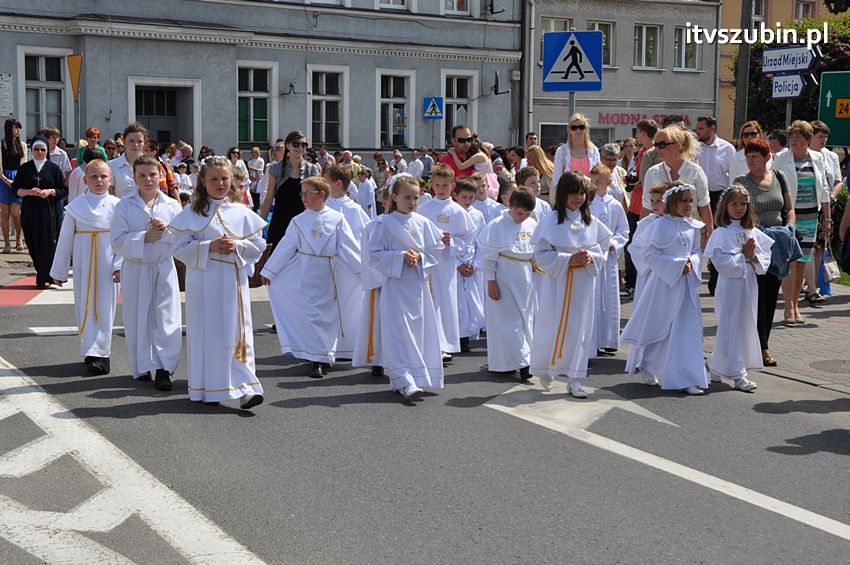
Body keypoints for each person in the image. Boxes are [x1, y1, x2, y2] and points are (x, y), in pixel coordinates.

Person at [170, 156, 267, 409]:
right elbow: (179, 248)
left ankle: (246, 388)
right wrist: (209, 246)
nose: (220, 183)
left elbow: (257, 246)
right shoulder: (191, 213)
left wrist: (238, 246)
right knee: (207, 333)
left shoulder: (242, 211)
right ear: (203, 181)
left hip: (232, 281)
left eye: (225, 178)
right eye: (214, 179)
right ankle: (208, 388)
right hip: (203, 281)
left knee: (237, 332)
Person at [261, 176, 361, 378]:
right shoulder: (298, 221)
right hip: (305, 272)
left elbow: (349, 247)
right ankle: (315, 354)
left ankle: (322, 357)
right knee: (310, 314)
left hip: (329, 273)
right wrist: (269, 270)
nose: (304, 198)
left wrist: (362, 271)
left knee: (326, 315)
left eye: (308, 193)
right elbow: (287, 246)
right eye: (302, 194)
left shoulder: (337, 218)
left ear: (322, 194)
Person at [620, 183, 708, 395]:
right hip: (664, 285)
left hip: (685, 286)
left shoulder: (693, 226)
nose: (688, 205)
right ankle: (650, 364)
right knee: (661, 326)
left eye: (690, 200)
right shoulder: (660, 226)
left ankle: (685, 376)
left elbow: (696, 252)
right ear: (673, 202)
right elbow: (649, 255)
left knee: (685, 329)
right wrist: (677, 265)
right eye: (683, 201)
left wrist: (691, 262)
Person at [530, 172, 612, 398]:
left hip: (583, 283)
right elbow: (541, 254)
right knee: (551, 324)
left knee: (580, 328)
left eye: (582, 193)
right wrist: (567, 260)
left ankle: (575, 378)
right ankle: (546, 368)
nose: (578, 198)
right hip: (557, 282)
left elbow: (602, 249)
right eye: (573, 193)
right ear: (563, 194)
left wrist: (591, 258)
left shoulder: (591, 222)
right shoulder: (550, 221)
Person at [367, 175, 445, 400]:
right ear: (394, 197)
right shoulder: (384, 224)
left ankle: (416, 375)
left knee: (417, 330)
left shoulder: (422, 222)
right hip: (395, 286)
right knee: (398, 332)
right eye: (407, 198)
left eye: (416, 198)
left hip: (417, 287)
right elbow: (374, 254)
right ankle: (402, 377)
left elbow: (436, 249)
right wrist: (400, 257)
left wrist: (420, 257)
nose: (412, 203)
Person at [111, 156, 183, 390]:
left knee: (165, 317)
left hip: (162, 266)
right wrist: (144, 238)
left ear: (160, 175)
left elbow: (183, 238)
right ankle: (141, 365)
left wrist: (166, 232)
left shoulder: (172, 205)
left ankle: (165, 368)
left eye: (152, 174)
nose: (148, 179)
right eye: (142, 175)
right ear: (134, 178)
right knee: (136, 316)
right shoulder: (124, 205)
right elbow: (116, 241)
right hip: (136, 268)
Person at [50, 160, 121, 375]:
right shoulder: (75, 207)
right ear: (85, 180)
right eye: (94, 177)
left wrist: (119, 265)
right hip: (84, 263)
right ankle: (91, 352)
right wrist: (59, 271)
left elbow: (122, 239)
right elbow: (64, 240)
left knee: (105, 307)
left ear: (110, 180)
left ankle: (103, 353)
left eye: (103, 177)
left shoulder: (118, 206)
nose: (99, 181)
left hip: (108, 264)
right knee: (86, 304)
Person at [732, 138, 797, 367]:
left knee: (770, 296)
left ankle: (764, 343)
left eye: (755, 156)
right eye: (748, 156)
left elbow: (788, 208)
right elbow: (736, 212)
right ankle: (756, 345)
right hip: (755, 244)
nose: (750, 160)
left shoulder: (779, 177)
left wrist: (790, 228)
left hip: (777, 244)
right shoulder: (741, 182)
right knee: (755, 296)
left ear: (767, 157)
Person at [704, 185, 774, 392]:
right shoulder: (721, 234)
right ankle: (738, 374)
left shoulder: (751, 231)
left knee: (745, 325)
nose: (739, 208)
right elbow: (723, 265)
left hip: (749, 286)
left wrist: (753, 257)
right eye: (734, 204)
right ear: (725, 206)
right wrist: (744, 256)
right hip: (730, 287)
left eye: (743, 204)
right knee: (729, 326)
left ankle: (716, 364)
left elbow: (763, 263)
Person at [770, 120, 831, 326]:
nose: (794, 140)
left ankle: (796, 306)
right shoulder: (781, 158)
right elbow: (773, 184)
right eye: (792, 136)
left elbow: (823, 187)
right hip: (790, 216)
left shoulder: (818, 157)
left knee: (803, 262)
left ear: (808, 139)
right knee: (790, 263)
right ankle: (788, 308)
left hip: (811, 216)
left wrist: (827, 218)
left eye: (798, 136)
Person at [477, 186, 538, 380]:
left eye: (527, 213)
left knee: (525, 321)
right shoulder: (496, 225)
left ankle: (509, 362)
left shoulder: (531, 223)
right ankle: (524, 363)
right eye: (520, 212)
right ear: (509, 205)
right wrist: (491, 281)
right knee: (508, 322)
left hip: (526, 278)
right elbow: (488, 258)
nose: (522, 217)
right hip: (504, 276)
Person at [417, 164, 475, 357]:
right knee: (429, 301)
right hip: (429, 261)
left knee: (445, 302)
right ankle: (428, 343)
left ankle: (444, 344)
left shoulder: (458, 211)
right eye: (437, 185)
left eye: (445, 186)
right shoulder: (424, 209)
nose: (441, 190)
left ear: (452, 186)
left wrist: (452, 242)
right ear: (431, 185)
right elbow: (417, 233)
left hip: (447, 263)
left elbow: (468, 236)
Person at [642, 126, 713, 241]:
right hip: (661, 233)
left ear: (677, 146)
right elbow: (646, 206)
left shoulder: (695, 171)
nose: (657, 149)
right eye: (656, 145)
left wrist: (711, 235)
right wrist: (642, 236)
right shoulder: (652, 172)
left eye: (662, 145)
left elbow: (704, 205)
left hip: (690, 232)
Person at [14, 136, 67, 288]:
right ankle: (41, 272)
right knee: (32, 242)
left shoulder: (53, 168)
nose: (39, 152)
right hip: (30, 211)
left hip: (47, 212)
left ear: (47, 151)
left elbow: (63, 190)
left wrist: (49, 191)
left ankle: (44, 277)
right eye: (36, 149)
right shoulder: (25, 168)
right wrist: (29, 191)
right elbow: (16, 190)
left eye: (43, 149)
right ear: (32, 151)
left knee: (47, 244)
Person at [588, 164, 629, 355]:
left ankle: (609, 338)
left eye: (598, 182)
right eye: (593, 181)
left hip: (609, 258)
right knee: (593, 295)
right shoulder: (587, 204)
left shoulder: (615, 205)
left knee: (610, 295)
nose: (595, 185)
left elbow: (623, 230)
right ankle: (593, 339)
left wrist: (614, 242)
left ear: (609, 182)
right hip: (593, 255)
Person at [353, 189, 392, 379]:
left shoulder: (413, 223)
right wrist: (377, 280)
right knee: (377, 323)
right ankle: (376, 360)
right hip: (380, 284)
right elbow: (368, 257)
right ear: (384, 202)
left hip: (403, 284)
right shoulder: (373, 226)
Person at [259, 131, 320, 249]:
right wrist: (259, 225)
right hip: (280, 223)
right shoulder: (275, 169)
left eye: (304, 145)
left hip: (304, 224)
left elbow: (317, 201)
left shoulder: (312, 170)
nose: (300, 148)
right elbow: (268, 199)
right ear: (287, 146)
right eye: (296, 144)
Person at [623, 119, 659, 297]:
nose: (635, 136)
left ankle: (640, 282)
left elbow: (648, 181)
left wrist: (637, 183)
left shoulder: (653, 153)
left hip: (646, 207)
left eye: (637, 132)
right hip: (635, 205)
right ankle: (631, 282)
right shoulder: (641, 152)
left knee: (642, 244)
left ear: (644, 133)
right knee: (632, 244)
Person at [453, 178, 486, 352]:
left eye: (471, 197)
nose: (467, 201)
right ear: (456, 196)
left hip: (471, 262)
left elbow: (481, 242)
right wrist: (458, 264)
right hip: (455, 261)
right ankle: (458, 337)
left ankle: (468, 335)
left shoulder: (477, 215)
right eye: (464, 197)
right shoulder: (452, 213)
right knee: (457, 302)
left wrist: (474, 263)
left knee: (471, 302)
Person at [551, 113, 600, 187]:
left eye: (581, 127)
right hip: (568, 195)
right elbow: (556, 180)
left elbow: (598, 176)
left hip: (590, 196)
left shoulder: (594, 151)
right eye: (574, 128)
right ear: (569, 130)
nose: (578, 130)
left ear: (586, 129)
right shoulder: (561, 151)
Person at [1, 117, 27, 253]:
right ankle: (6, 243)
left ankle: (19, 237)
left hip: (18, 179)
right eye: (16, 127)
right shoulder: (1, 144)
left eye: (19, 128)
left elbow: (24, 164)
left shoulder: (22, 145)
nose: (19, 130)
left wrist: (17, 182)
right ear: (9, 128)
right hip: (3, 180)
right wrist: (6, 180)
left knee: (16, 212)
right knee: (4, 213)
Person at [109, 123, 147, 199]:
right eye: (131, 141)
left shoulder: (152, 166)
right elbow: (109, 195)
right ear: (124, 141)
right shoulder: (111, 166)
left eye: (139, 141)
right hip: (121, 209)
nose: (136, 144)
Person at [247, 146, 265, 211]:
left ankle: (258, 208)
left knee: (257, 195)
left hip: (258, 179)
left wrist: (251, 168)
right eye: (252, 152)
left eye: (254, 152)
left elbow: (260, 170)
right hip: (251, 179)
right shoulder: (251, 160)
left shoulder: (260, 160)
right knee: (252, 195)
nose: (253, 154)